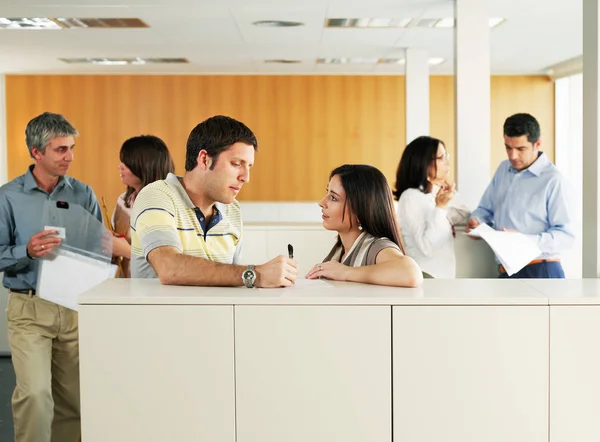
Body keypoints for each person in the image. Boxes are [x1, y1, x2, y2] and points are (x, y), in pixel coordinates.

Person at [0, 112, 102, 442]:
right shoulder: (7, 197)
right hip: (29, 309)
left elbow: (99, 250)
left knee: (75, 402)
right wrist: (25, 250)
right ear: (36, 152)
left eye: (71, 148)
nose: (69, 156)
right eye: (60, 150)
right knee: (35, 396)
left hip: (73, 308)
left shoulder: (83, 193)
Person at [130, 115, 298, 287]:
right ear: (204, 159)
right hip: (159, 313)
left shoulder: (232, 210)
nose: (245, 178)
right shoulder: (157, 196)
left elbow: (232, 280)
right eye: (236, 164)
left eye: (249, 167)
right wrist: (256, 275)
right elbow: (169, 267)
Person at [466, 113, 574, 278]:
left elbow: (566, 236)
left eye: (520, 149)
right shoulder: (503, 169)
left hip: (541, 271)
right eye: (508, 147)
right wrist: (477, 221)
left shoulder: (553, 180)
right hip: (505, 271)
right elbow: (484, 209)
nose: (512, 156)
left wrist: (523, 240)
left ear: (537, 144)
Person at [305, 164, 422, 287]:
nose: (322, 203)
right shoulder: (339, 250)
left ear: (360, 210)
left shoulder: (375, 247)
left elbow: (411, 273)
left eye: (333, 198)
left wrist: (346, 272)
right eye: (327, 193)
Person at [394, 136, 460, 278]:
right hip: (427, 279)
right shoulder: (410, 197)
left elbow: (465, 215)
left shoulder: (434, 194)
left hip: (443, 279)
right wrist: (441, 207)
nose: (447, 162)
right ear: (424, 164)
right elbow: (427, 247)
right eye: (441, 157)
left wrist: (446, 200)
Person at [111, 135, 175, 277]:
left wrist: (127, 251)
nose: (120, 166)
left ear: (144, 166)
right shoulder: (123, 201)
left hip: (154, 290)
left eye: (126, 162)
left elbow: (173, 262)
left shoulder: (170, 205)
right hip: (126, 285)